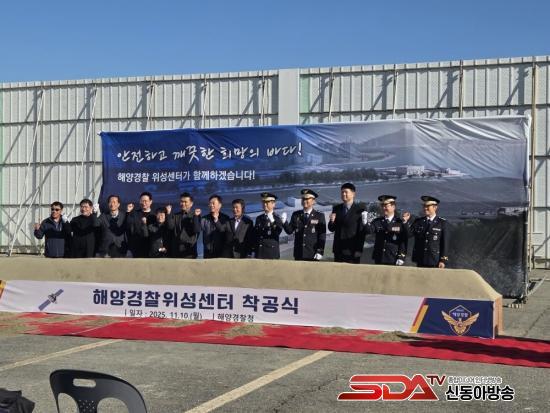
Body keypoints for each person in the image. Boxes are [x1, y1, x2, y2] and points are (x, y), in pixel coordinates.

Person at [404, 195, 449, 268]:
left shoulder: (442, 223)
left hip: (434, 260)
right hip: (420, 259)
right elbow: (409, 234)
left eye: (428, 206)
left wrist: (443, 260)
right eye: (424, 206)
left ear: (435, 207)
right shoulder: (419, 221)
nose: (425, 208)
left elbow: (444, 243)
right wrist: (405, 222)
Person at [282, 189, 326, 261]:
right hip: (299, 254)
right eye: (303, 199)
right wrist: (284, 222)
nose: (304, 201)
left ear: (313, 201)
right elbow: (289, 231)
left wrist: (320, 251)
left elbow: (322, 235)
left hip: (313, 254)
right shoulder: (296, 215)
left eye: (307, 199)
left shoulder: (319, 215)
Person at [327, 183, 366, 263]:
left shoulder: (360, 210)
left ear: (353, 194)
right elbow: (331, 228)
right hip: (338, 250)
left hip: (352, 250)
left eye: (346, 192)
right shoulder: (336, 208)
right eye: (342, 192)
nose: (343, 194)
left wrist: (359, 250)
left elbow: (361, 232)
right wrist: (331, 221)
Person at [365, 195, 408, 265]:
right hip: (379, 257)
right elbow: (369, 230)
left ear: (393, 207)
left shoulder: (399, 222)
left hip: (393, 257)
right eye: (382, 205)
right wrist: (365, 223)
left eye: (386, 205)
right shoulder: (377, 221)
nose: (384, 208)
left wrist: (401, 257)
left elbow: (403, 241)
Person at [165, 192, 201, 258]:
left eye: (185, 202)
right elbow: (170, 227)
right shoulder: (175, 215)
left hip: (189, 252)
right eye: (181, 201)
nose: (183, 204)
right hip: (176, 251)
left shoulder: (195, 215)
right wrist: (169, 213)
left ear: (191, 204)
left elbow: (196, 230)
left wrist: (196, 216)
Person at [126, 192, 157, 258]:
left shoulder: (155, 215)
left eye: (146, 201)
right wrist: (128, 212)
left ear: (151, 202)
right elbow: (128, 226)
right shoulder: (134, 214)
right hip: (136, 248)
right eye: (142, 201)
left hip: (150, 248)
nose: (143, 203)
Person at [254, 192, 284, 259]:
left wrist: (272, 221)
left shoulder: (277, 218)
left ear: (273, 204)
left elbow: (277, 232)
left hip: (271, 253)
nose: (265, 204)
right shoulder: (259, 218)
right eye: (263, 202)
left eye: (267, 202)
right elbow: (256, 235)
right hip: (259, 253)